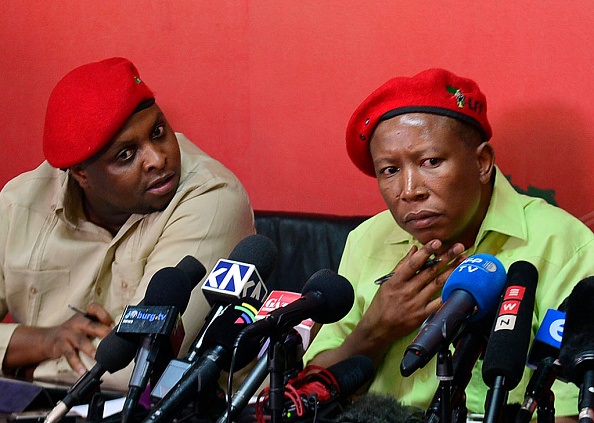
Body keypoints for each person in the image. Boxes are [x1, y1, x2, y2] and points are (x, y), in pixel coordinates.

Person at [303, 68, 594, 420]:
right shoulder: (368, 239)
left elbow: (571, 411)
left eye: (430, 162)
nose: (410, 190)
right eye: (390, 170)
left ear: (482, 162)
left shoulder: (563, 245)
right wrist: (375, 331)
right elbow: (310, 394)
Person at [0, 57, 255, 390]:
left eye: (158, 132)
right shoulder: (21, 203)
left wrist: (21, 370)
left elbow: (139, 368)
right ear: (80, 175)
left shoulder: (213, 197)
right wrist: (40, 341)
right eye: (126, 155)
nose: (157, 159)